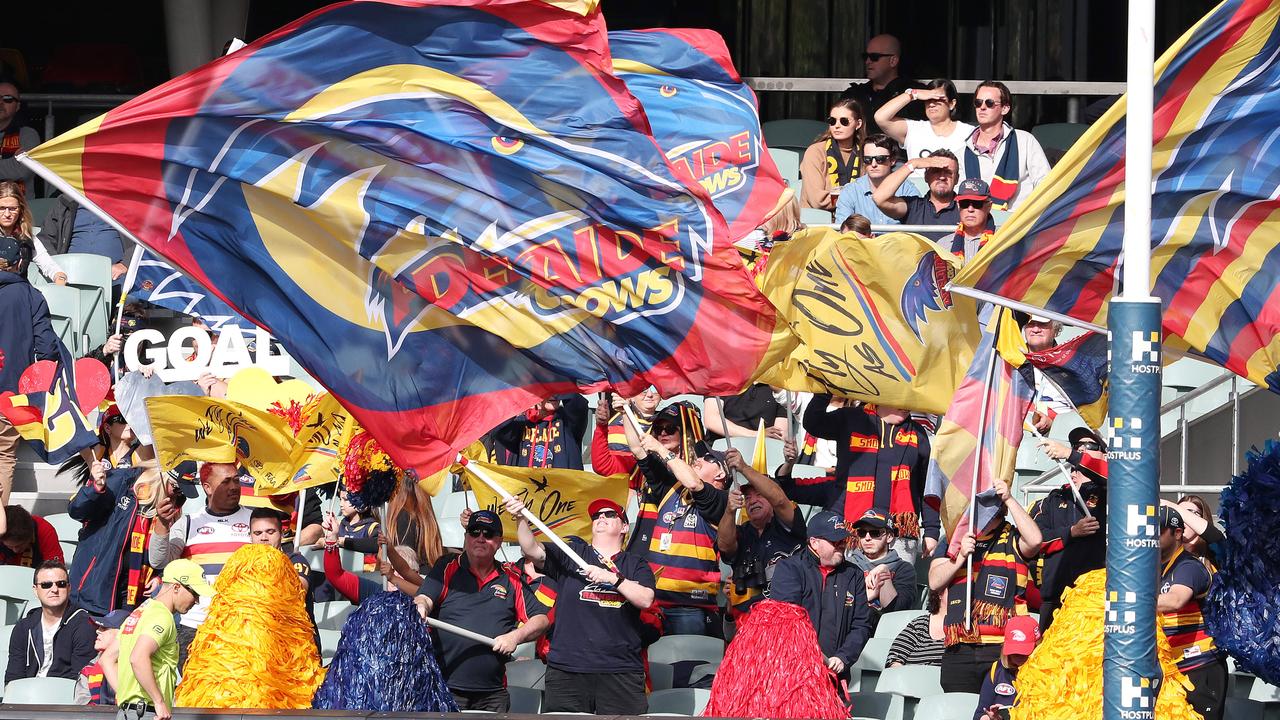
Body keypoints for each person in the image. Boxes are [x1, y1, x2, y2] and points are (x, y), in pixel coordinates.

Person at [508, 495, 656, 716]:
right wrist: (521, 518)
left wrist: (612, 578)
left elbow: (645, 599)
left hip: (621, 670)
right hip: (568, 669)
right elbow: (532, 550)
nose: (601, 518)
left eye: (610, 514)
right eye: (597, 515)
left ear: (624, 526)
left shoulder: (635, 564)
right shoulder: (572, 554)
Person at [413, 510, 550, 712]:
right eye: (474, 532)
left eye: (488, 533)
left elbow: (541, 619)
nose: (480, 538)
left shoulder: (511, 577)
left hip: (493, 694)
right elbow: (424, 598)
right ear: (466, 536)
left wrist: (515, 636)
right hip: (445, 688)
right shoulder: (447, 566)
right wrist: (421, 607)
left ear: (499, 541)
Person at [619, 398, 729, 636]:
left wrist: (658, 448)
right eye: (659, 430)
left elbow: (695, 483)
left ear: (721, 473)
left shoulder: (721, 500)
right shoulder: (669, 488)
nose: (699, 459)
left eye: (708, 459)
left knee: (688, 671)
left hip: (690, 605)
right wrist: (625, 410)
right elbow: (637, 450)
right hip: (656, 602)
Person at [790, 395, 938, 562]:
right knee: (852, 588)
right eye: (901, 397)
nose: (907, 405)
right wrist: (826, 390)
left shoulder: (918, 434)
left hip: (898, 534)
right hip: (855, 531)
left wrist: (931, 530)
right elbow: (813, 422)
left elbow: (926, 486)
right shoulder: (851, 418)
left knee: (897, 588)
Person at [929, 478, 1042, 694]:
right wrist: (959, 557)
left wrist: (1009, 498)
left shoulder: (1013, 536)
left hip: (1004, 646)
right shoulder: (955, 538)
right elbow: (935, 581)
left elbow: (1036, 540)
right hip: (959, 645)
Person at [147, 461, 252, 668]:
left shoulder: (255, 520)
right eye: (226, 482)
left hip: (242, 625)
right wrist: (161, 524)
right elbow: (159, 561)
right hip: (195, 625)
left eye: (236, 480)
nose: (234, 487)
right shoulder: (188, 523)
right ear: (207, 487)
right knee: (196, 696)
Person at [68, 461, 191, 615]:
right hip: (95, 589)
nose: (178, 495)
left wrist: (160, 576)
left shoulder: (173, 507)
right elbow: (77, 511)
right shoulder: (125, 481)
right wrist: (95, 488)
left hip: (134, 596)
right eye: (177, 488)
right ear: (162, 476)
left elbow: (164, 554)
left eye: (183, 493)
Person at [768, 510, 874, 680]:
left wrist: (843, 657)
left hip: (835, 676)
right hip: (794, 674)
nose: (841, 544)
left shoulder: (854, 575)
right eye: (834, 540)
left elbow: (861, 625)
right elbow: (787, 622)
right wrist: (813, 657)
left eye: (843, 539)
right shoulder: (790, 569)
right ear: (814, 543)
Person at [0, 232, 59, 516]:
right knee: (3, 457)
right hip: (11, 396)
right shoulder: (30, 295)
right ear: (18, 262)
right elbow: (47, 349)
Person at [115, 559, 216, 720]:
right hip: (148, 712)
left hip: (130, 712)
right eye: (194, 593)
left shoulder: (140, 611)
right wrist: (159, 701)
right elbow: (138, 657)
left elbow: (108, 658)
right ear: (176, 587)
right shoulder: (162, 616)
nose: (196, 601)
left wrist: (126, 696)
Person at [718, 443, 805, 627]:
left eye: (759, 494)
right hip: (747, 623)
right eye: (747, 497)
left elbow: (780, 500)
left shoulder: (788, 524)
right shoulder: (742, 531)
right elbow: (724, 546)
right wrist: (729, 511)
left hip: (786, 619)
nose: (752, 501)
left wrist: (743, 467)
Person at [1031, 427, 1107, 631]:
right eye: (1077, 447)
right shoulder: (1053, 500)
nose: (1081, 450)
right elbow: (1034, 541)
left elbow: (1117, 478)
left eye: (1089, 446)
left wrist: (1069, 454)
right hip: (1055, 599)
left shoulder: (1115, 492)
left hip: (1095, 599)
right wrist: (1071, 532)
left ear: (1105, 454)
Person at [1157, 505, 1228, 720]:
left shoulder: (1189, 566)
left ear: (1177, 533)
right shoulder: (1153, 566)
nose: (1149, 536)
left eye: (1157, 530)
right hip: (1171, 670)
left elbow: (1175, 600)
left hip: (1199, 668)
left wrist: (1126, 602)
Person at [5, 560, 97, 684]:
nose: (54, 589)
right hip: (27, 698)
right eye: (46, 585)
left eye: (61, 584)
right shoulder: (23, 627)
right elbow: (13, 677)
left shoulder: (84, 625)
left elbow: (80, 680)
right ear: (35, 590)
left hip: (63, 698)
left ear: (69, 588)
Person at [962, 81, 1050, 210]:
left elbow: (1045, 184)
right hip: (978, 226)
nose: (982, 107)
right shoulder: (962, 152)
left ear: (1005, 108)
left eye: (989, 103)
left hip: (1019, 223)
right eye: (978, 102)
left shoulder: (1025, 140)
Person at [875, 79, 975, 175]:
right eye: (928, 99)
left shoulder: (968, 132)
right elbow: (880, 118)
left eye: (938, 99)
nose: (931, 104)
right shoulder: (914, 129)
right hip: (917, 191)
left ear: (952, 104)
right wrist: (913, 94)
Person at [38, 193, 133, 286]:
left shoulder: (126, 200)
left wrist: (125, 264)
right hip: (71, 276)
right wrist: (57, 269)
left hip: (116, 277)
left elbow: (144, 238)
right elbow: (45, 239)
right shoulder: (66, 201)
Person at [840, 34, 924, 137]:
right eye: (865, 57)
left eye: (874, 57)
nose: (868, 62)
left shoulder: (915, 94)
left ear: (893, 61)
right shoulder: (854, 94)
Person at [833, 133, 922, 229]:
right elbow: (842, 231)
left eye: (880, 159)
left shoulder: (907, 189)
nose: (873, 164)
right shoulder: (850, 191)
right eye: (868, 159)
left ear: (892, 160)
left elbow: (917, 229)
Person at [872, 149, 962, 240]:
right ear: (926, 176)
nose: (942, 177)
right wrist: (913, 164)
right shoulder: (914, 207)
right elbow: (879, 198)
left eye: (948, 172)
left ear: (957, 179)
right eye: (936, 171)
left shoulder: (965, 209)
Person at [848, 509, 918, 624]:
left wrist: (883, 572)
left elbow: (898, 611)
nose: (867, 538)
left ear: (889, 537)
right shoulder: (848, 565)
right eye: (862, 533)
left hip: (881, 631)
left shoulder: (903, 569)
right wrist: (866, 597)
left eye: (875, 532)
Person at [590, 387, 663, 489]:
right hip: (619, 490)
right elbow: (602, 466)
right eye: (644, 390)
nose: (650, 395)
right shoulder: (615, 413)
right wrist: (601, 425)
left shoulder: (668, 425)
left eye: (655, 390)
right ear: (631, 397)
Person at [491, 395, 590, 470]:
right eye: (547, 391)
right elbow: (498, 428)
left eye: (557, 391)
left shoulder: (568, 421)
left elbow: (579, 406)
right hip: (530, 494)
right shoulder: (523, 422)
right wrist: (521, 399)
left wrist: (560, 383)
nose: (554, 395)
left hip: (562, 494)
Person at [801, 98, 866, 211]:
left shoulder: (866, 153)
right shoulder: (815, 152)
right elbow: (818, 200)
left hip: (855, 221)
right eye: (832, 121)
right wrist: (856, 196)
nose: (837, 125)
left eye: (844, 121)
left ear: (858, 124)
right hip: (818, 222)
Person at [973, 615, 1040, 720]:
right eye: (1014, 651)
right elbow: (979, 714)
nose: (1018, 655)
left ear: (1038, 646)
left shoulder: (1049, 675)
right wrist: (991, 717)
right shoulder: (996, 671)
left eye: (1023, 651)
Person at [0, 180, 65, 284]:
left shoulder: (27, 238)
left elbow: (47, 263)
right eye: (2, 208)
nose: (7, 214)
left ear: (21, 209)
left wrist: (59, 276)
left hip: (17, 288)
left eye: (12, 209)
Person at [385, 473, 445, 568]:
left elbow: (406, 566)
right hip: (430, 574)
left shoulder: (403, 517)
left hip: (411, 578)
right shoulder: (426, 518)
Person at [74, 609, 131, 706]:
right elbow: (82, 708)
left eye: (104, 628)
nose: (97, 631)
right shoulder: (89, 669)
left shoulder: (137, 665)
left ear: (122, 634)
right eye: (99, 627)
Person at [702, 383, 787, 443]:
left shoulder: (779, 389)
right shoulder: (721, 380)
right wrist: (756, 435)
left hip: (761, 456)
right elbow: (711, 420)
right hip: (720, 454)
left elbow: (779, 436)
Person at [886, 589, 946, 668]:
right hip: (910, 678)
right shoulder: (919, 625)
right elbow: (894, 659)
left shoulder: (966, 629)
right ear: (940, 593)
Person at [0, 84, 39, 194]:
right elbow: (15, 167)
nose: (1, 102)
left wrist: (17, 165)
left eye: (8, 99)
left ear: (17, 106)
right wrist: (12, 163)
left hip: (20, 207)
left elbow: (23, 169)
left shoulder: (28, 134)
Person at [950, 178, 995, 263]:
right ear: (958, 206)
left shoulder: (1003, 242)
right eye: (965, 203)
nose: (970, 209)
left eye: (977, 204)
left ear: (989, 207)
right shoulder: (943, 245)